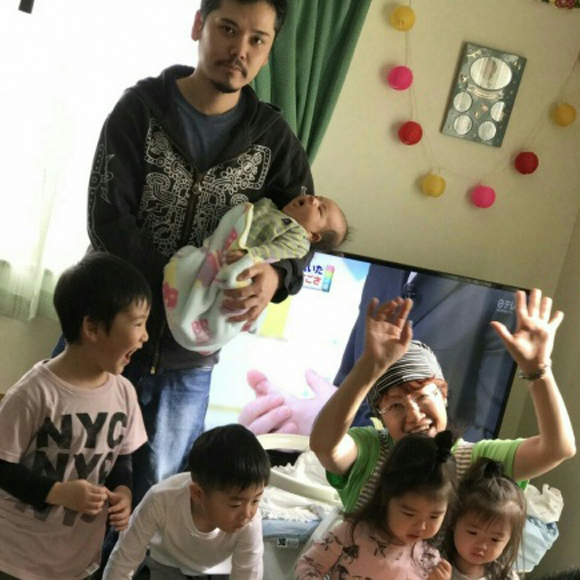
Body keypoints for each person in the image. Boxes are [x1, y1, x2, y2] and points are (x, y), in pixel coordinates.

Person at [86, 0, 314, 505]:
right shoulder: (139, 111)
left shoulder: (275, 140)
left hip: (189, 362)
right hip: (104, 337)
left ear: (269, 49)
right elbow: (107, 221)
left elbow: (304, 230)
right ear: (198, 25)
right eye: (227, 29)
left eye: (257, 39)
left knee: (154, 502)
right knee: (66, 479)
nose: (240, 49)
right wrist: (178, 288)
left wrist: (276, 276)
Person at [309, 288, 575, 513]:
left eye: (423, 396)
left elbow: (557, 449)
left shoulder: (476, 460)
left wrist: (538, 371)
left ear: (444, 394)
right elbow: (325, 446)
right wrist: (369, 365)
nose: (414, 415)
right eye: (395, 405)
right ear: (379, 414)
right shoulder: (368, 449)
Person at [238, 264, 519, 441]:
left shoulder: (498, 293)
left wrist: (328, 427)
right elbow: (349, 384)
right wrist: (290, 427)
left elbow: (484, 440)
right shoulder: (386, 268)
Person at [0, 252, 150, 580]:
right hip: (14, 557)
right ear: (92, 327)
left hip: (75, 559)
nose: (145, 337)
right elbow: (2, 467)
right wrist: (59, 493)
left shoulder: (124, 393)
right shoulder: (35, 393)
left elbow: (120, 458)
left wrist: (123, 492)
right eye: (138, 323)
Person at [163, 194, 348, 353]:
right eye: (318, 197)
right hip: (222, 252)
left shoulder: (298, 238)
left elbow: (276, 251)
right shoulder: (267, 207)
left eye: (320, 209)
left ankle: (205, 325)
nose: (313, 199)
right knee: (189, 267)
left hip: (243, 266)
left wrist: (250, 256)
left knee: (233, 295)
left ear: (313, 236)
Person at [102, 424, 270, 580]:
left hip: (221, 571)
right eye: (235, 505)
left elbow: (249, 573)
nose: (247, 513)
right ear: (198, 493)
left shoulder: (249, 519)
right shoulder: (161, 498)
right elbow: (125, 558)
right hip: (168, 564)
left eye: (256, 500)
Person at [295, 431, 457, 580]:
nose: (421, 526)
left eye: (434, 516)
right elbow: (308, 565)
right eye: (409, 514)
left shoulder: (430, 561)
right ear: (386, 498)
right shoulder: (352, 533)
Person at [443, 458, 526, 580]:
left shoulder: (506, 577)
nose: (482, 546)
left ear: (509, 539)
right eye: (473, 532)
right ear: (454, 522)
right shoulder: (430, 562)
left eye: (495, 539)